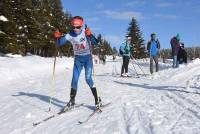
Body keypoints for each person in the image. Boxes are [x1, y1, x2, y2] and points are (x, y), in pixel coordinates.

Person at [54, 16, 102, 109]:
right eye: (74, 27)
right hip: (78, 60)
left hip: (87, 59)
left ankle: (97, 99)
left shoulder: (85, 32)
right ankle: (72, 101)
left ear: (81, 26)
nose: (75, 29)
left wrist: (90, 35)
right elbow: (58, 44)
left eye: (78, 27)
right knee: (74, 79)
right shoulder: (70, 34)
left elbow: (96, 43)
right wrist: (57, 37)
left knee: (88, 79)